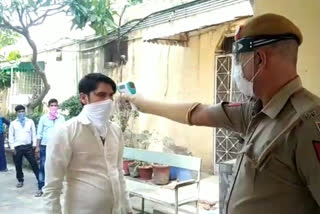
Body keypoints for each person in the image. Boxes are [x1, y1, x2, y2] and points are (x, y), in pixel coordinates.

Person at [123, 14, 320, 214]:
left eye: (240, 60)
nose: (237, 71)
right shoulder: (255, 112)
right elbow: (198, 113)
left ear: (260, 59)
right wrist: (142, 104)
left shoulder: (306, 124)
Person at [43, 73, 132, 214]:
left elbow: (118, 173)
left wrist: (127, 208)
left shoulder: (115, 130)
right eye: (101, 95)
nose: (108, 101)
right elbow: (52, 187)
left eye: (111, 95)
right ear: (84, 98)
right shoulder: (66, 132)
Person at [35, 98, 65, 197]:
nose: (53, 107)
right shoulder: (43, 118)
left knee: (57, 167)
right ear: (48, 107)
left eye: (55, 105)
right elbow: (39, 133)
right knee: (43, 167)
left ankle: (56, 187)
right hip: (45, 146)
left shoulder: (61, 118)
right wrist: (37, 147)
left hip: (57, 146)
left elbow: (64, 132)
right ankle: (40, 188)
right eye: (51, 105)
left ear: (58, 107)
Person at [8, 105, 40, 192]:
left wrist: (34, 144)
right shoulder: (13, 123)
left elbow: (34, 133)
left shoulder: (30, 122)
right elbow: (10, 136)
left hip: (28, 147)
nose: (21, 113)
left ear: (25, 112)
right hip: (17, 147)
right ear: (16, 113)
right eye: (19, 112)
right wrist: (12, 147)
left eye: (22, 111)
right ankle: (20, 180)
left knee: (34, 164)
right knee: (18, 165)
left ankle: (40, 180)